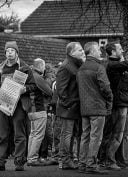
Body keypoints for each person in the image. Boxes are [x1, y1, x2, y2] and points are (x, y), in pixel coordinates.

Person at [0, 41, 37, 171]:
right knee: (2, 135)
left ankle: (19, 162)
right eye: (7, 51)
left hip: (19, 106)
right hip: (2, 105)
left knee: (19, 135)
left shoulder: (24, 68)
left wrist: (24, 89)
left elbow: (33, 86)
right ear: (5, 53)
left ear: (17, 53)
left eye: (12, 50)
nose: (9, 53)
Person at [77, 42, 113, 174]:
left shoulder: (81, 68)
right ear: (92, 51)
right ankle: (91, 164)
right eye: (98, 50)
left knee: (85, 136)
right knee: (95, 137)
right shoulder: (99, 67)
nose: (100, 52)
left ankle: (82, 163)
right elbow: (105, 87)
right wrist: (109, 99)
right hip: (97, 107)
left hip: (84, 107)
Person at [56, 42, 85, 170]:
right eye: (79, 50)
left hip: (73, 106)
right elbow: (61, 89)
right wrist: (68, 104)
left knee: (72, 134)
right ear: (71, 52)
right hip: (67, 107)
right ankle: (64, 160)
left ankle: (69, 159)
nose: (82, 51)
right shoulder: (66, 66)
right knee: (66, 134)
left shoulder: (75, 64)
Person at [27, 58, 53, 166]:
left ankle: (29, 158)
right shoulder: (38, 77)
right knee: (38, 136)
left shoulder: (29, 76)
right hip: (39, 109)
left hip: (30, 110)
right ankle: (33, 159)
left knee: (32, 135)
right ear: (41, 66)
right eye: (44, 66)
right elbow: (49, 92)